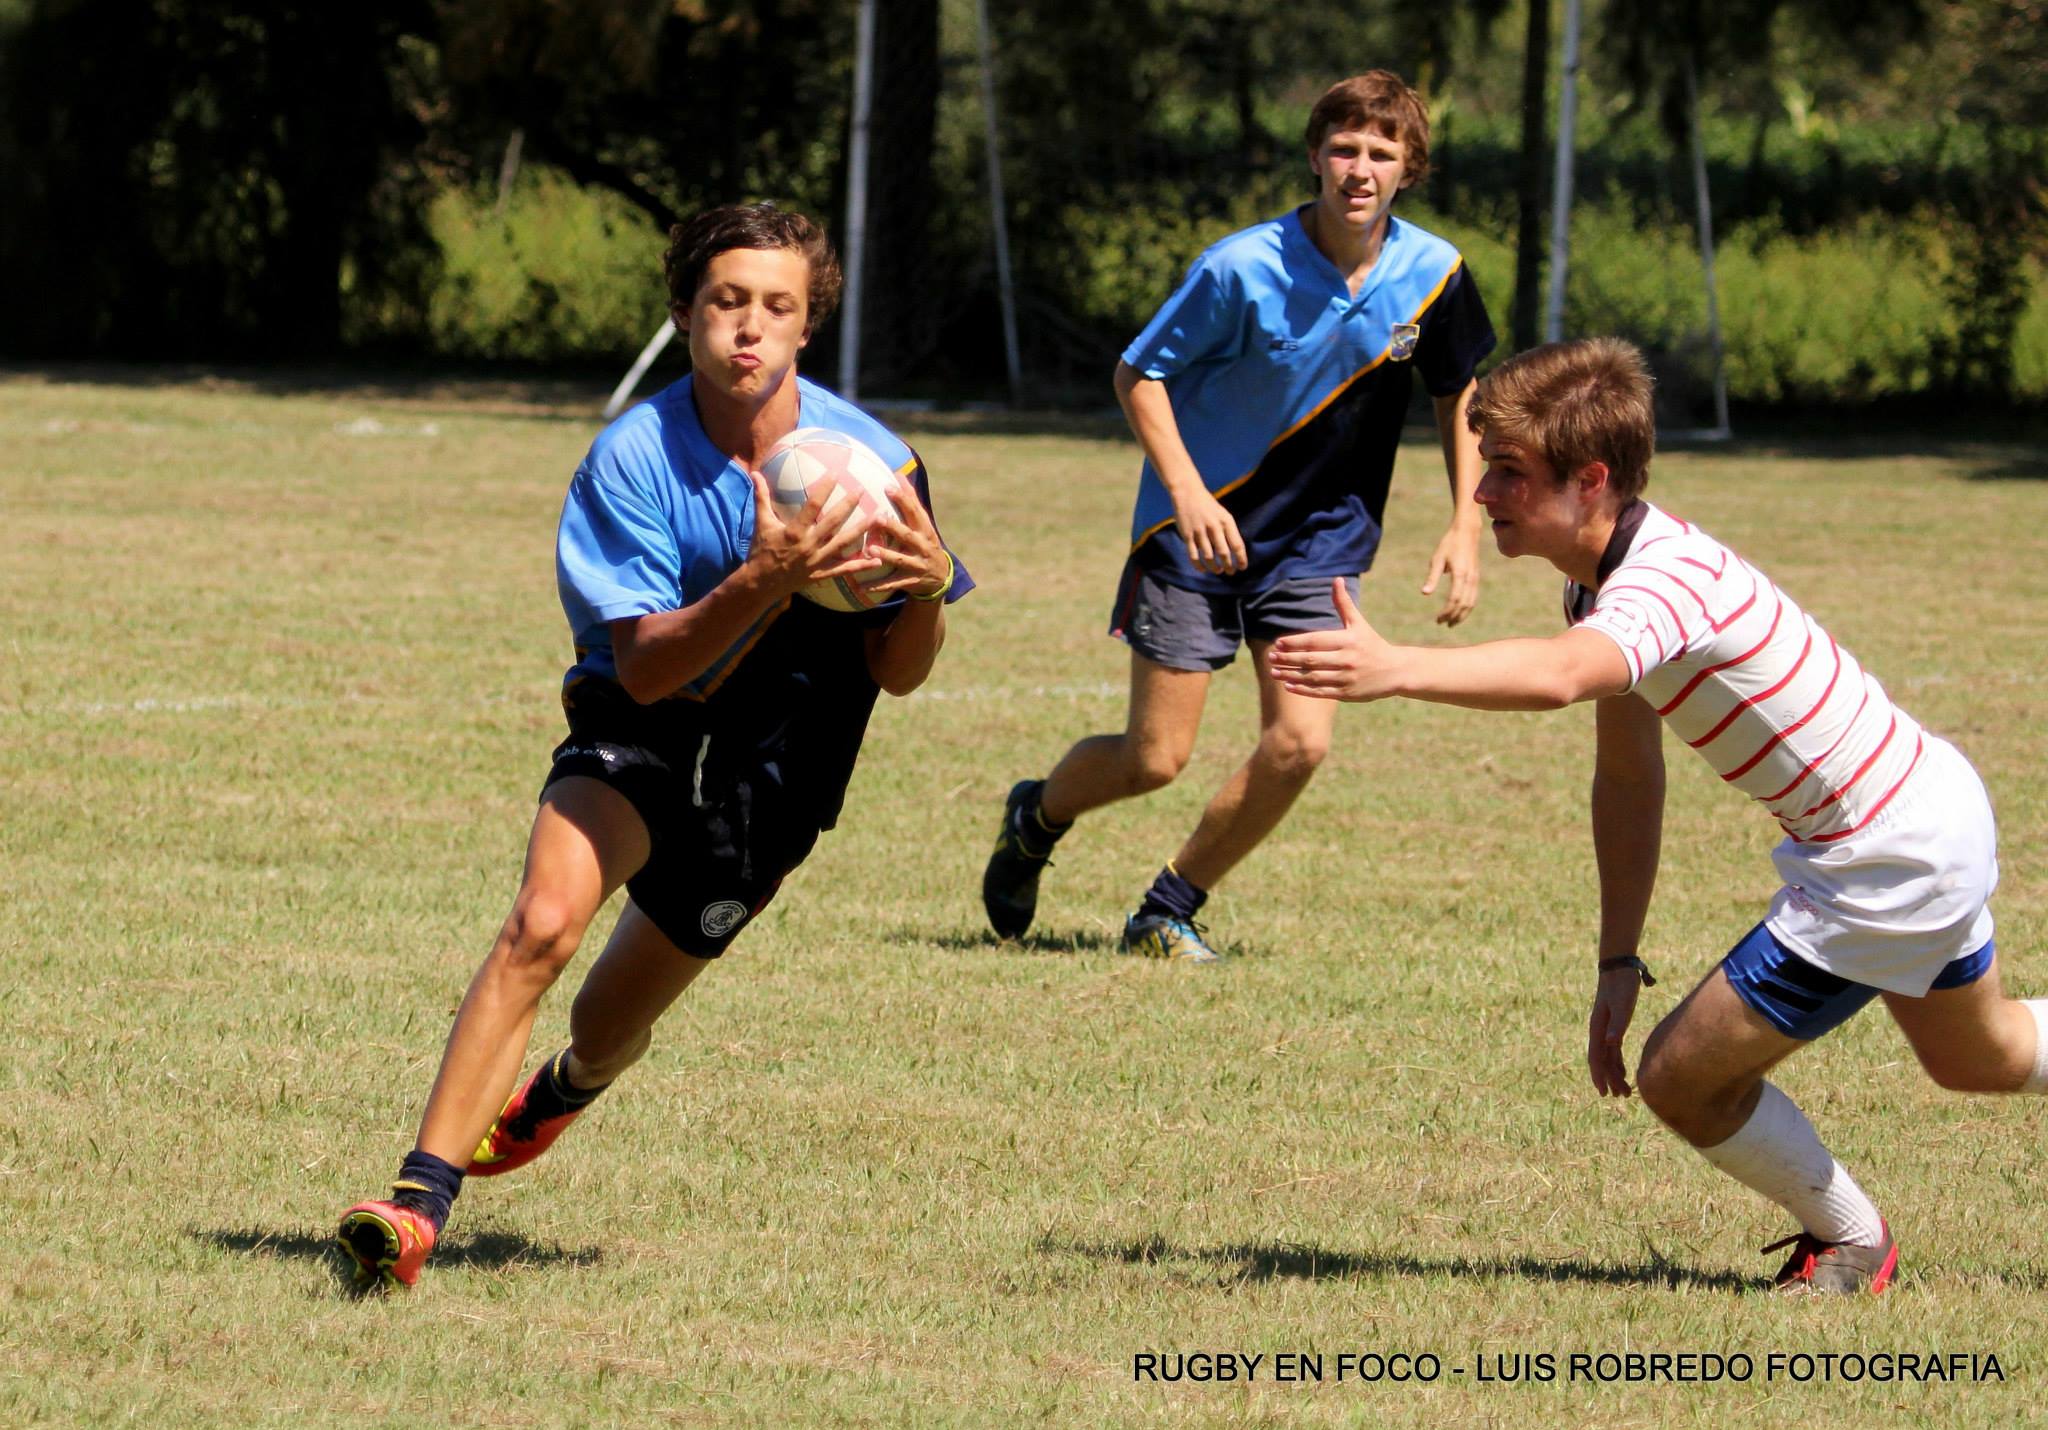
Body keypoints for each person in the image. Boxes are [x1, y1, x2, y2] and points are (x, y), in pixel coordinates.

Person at [1268, 336, 2046, 1294]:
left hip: (1889, 855)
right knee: (1985, 1055)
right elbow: (1629, 779)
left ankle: (1853, 1245)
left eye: (1508, 474)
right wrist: (1617, 958)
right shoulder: (1601, 585)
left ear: (1589, 480)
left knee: (1681, 1077)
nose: (1482, 496)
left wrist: (1396, 670)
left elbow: (1558, 680)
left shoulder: (1659, 587)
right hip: (1927, 811)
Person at [335, 202, 972, 1290]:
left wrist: (918, 588)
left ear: (807, 323)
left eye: (777, 306)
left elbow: (901, 671)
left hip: (784, 756)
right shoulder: (632, 456)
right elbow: (644, 670)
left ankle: (568, 1085)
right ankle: (413, 1206)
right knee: (540, 925)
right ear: (684, 312)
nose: (748, 329)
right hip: (652, 714)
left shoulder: (875, 462)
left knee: (606, 1016)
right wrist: (765, 579)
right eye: (726, 301)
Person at [980, 71, 1495, 963]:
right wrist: (1186, 491)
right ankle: (1037, 815)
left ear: (1410, 167)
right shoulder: (1238, 267)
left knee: (1299, 743)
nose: (1359, 169)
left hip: (1317, 543)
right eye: (1344, 148)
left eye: (1382, 152)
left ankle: (1166, 910)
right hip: (1194, 536)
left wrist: (1465, 525)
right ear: (1314, 157)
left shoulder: (1435, 274)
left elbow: (1460, 393)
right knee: (1154, 758)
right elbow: (1138, 374)